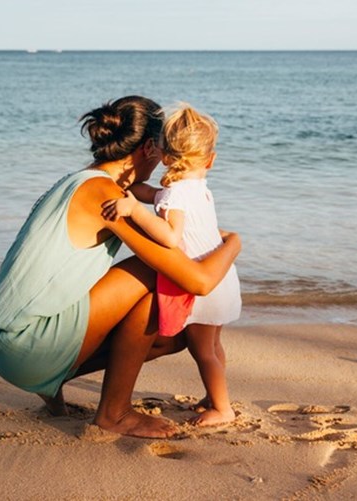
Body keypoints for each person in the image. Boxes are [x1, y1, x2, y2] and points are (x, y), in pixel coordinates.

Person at [0, 96, 241, 439]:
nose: (165, 165)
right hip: (25, 345)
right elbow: (198, 281)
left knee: (173, 336)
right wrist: (234, 243)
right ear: (149, 148)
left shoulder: (82, 180)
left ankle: (52, 381)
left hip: (8, 345)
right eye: (163, 152)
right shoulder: (104, 193)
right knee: (157, 274)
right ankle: (114, 413)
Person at [101, 104, 241, 426]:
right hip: (220, 274)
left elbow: (170, 236)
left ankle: (222, 408)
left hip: (201, 281)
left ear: (164, 157)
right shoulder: (197, 189)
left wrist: (133, 211)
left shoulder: (175, 195)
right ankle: (214, 396)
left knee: (202, 350)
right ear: (210, 160)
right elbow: (156, 194)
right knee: (214, 345)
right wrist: (131, 190)